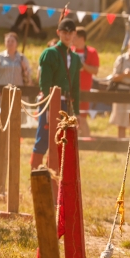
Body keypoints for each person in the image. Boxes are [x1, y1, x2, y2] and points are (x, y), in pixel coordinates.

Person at [32, 18, 82, 169]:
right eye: (64, 32)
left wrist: (77, 112)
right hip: (49, 102)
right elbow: (45, 83)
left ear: (74, 34)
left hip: (66, 104)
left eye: (70, 33)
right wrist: (48, 106)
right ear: (58, 33)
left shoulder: (75, 58)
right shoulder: (50, 53)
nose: (67, 36)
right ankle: (36, 177)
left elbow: (76, 87)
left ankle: (53, 177)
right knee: (44, 138)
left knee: (62, 140)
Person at [71, 27, 99, 137]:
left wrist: (83, 65)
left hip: (84, 89)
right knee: (71, 118)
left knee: (82, 118)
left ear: (82, 38)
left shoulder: (92, 52)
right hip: (70, 89)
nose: (72, 39)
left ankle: (87, 143)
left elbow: (95, 70)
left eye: (75, 37)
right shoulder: (69, 51)